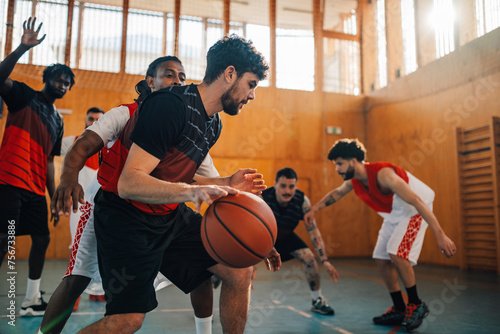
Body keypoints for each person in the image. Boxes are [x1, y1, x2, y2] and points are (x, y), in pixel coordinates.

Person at [77, 35, 280, 334]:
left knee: (239, 270)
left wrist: (254, 235)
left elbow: (173, 173)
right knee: (127, 321)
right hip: (127, 217)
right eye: (251, 84)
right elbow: (130, 182)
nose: (251, 95)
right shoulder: (169, 106)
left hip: (167, 214)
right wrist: (193, 192)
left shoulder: (214, 123)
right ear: (230, 74)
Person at [40, 56, 226, 334]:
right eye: (169, 75)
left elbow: (210, 179)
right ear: (151, 82)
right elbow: (82, 145)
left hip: (157, 212)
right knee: (77, 278)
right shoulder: (126, 113)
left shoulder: (190, 124)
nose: (177, 81)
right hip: (108, 203)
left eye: (182, 77)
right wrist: (68, 179)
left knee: (201, 269)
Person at [304, 138, 457, 331]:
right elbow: (338, 192)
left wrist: (440, 235)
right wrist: (314, 209)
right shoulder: (355, 181)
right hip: (394, 213)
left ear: (353, 161)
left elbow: (417, 201)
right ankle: (400, 308)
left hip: (414, 209)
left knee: (397, 253)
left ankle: (416, 304)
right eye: (336, 165)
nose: (337, 169)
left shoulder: (384, 175)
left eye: (340, 164)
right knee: (381, 257)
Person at [0, 17, 75, 317]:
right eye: (59, 79)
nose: (63, 85)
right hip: (9, 180)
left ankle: (32, 299)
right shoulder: (23, 96)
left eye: (68, 83)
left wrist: (54, 195)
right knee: (5, 238)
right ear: (47, 78)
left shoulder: (58, 120)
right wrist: (21, 47)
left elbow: (48, 161)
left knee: (42, 238)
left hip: (33, 188)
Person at [260, 167, 339, 315]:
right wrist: (249, 264)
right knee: (229, 266)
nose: (287, 191)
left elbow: (314, 231)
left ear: (296, 186)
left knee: (310, 259)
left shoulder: (302, 202)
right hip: (263, 238)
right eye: (283, 186)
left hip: (286, 236)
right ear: (275, 184)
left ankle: (317, 300)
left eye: (291, 186)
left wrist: (325, 259)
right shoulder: (263, 198)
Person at [61, 107, 104, 248]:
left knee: (100, 248)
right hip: (79, 204)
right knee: (78, 246)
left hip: (103, 205)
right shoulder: (71, 142)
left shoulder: (111, 147)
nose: (94, 122)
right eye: (91, 119)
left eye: (98, 119)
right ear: (85, 120)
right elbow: (49, 146)